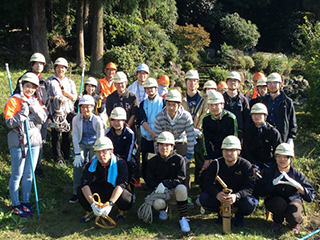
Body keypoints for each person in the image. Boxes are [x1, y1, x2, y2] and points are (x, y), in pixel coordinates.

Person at [4, 72, 47, 217]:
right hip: (18, 139)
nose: (30, 90)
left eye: (33, 87)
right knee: (17, 173)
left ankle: (25, 201)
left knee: (29, 174)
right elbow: (9, 123)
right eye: (27, 86)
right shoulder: (13, 100)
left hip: (34, 139)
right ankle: (15, 204)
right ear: (21, 86)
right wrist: (22, 113)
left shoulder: (34, 100)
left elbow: (42, 118)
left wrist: (31, 106)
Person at [199, 136, 258, 227]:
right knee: (204, 198)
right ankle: (221, 212)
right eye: (226, 150)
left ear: (239, 152)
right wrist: (217, 193)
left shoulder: (246, 165)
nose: (228, 153)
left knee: (250, 203)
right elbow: (206, 183)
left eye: (232, 150)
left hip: (238, 196)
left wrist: (237, 196)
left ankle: (239, 215)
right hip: (220, 197)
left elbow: (249, 187)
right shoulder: (216, 164)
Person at [258, 143, 315, 233]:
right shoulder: (269, 172)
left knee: (294, 218)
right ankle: (277, 221)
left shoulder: (297, 174)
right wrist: (272, 184)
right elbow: (260, 191)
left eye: (286, 157)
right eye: (279, 156)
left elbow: (310, 197)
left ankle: (294, 223)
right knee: (279, 203)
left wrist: (299, 187)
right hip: (274, 200)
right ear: (275, 158)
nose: (282, 160)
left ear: (291, 159)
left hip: (293, 200)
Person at [154, 89, 195, 207]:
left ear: (179, 105)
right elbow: (158, 138)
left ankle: (185, 195)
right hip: (166, 141)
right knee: (166, 166)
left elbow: (191, 135)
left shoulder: (186, 116)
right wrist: (159, 154)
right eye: (168, 104)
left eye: (173, 105)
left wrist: (189, 154)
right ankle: (165, 194)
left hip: (181, 140)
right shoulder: (159, 117)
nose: (170, 107)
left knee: (184, 168)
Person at [78, 137, 133, 223]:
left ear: (111, 151)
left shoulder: (120, 163)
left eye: (104, 151)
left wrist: (110, 204)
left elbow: (121, 184)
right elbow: (85, 182)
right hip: (99, 190)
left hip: (113, 190)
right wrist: (92, 204)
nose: (101, 155)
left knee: (126, 198)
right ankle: (92, 211)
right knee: (81, 190)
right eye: (98, 152)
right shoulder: (91, 164)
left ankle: (121, 211)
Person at [145, 131, 190, 233]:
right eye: (161, 145)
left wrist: (165, 183)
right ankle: (163, 209)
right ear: (158, 146)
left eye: (167, 145)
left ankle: (183, 218)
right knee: (158, 203)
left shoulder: (179, 159)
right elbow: (148, 179)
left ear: (172, 146)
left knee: (182, 188)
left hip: (174, 192)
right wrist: (157, 187)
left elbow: (181, 179)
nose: (164, 148)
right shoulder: (152, 161)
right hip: (160, 193)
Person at [70, 95, 104, 204]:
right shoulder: (76, 119)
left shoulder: (97, 120)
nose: (86, 110)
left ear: (93, 107)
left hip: (95, 144)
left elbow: (100, 137)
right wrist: (77, 153)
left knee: (94, 165)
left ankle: (93, 189)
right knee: (77, 165)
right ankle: (76, 191)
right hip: (82, 143)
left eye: (88, 107)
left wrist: (97, 153)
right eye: (83, 107)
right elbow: (75, 136)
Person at [46, 57, 77, 167]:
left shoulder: (70, 82)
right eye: (58, 67)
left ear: (66, 69)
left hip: (68, 112)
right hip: (55, 112)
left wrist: (66, 94)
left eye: (63, 68)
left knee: (67, 134)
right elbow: (46, 97)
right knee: (55, 135)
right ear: (55, 68)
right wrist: (56, 98)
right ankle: (57, 157)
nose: (61, 70)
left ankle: (66, 156)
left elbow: (74, 97)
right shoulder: (49, 81)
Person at [181, 70, 208, 185]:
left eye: (195, 81)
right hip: (184, 133)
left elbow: (205, 112)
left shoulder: (204, 97)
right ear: (186, 82)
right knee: (184, 160)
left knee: (200, 159)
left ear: (198, 83)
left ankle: (200, 182)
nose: (192, 83)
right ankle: (184, 182)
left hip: (199, 132)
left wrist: (198, 128)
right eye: (190, 81)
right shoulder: (181, 97)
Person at [201, 91, 238, 172]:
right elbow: (205, 140)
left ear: (222, 105)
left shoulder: (230, 118)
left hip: (228, 150)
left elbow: (234, 138)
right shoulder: (206, 119)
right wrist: (207, 158)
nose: (214, 107)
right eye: (211, 105)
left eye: (216, 105)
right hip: (213, 151)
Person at [26, 53, 49, 177]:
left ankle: (37, 166)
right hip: (31, 117)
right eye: (37, 63)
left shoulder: (43, 81)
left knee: (40, 142)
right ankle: (29, 166)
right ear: (32, 64)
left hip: (43, 116)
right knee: (31, 142)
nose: (39, 66)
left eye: (42, 64)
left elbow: (47, 98)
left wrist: (48, 115)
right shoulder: (25, 79)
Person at [137, 78, 165, 180]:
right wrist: (151, 132)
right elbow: (142, 120)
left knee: (159, 157)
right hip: (146, 133)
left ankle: (158, 178)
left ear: (156, 88)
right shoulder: (143, 103)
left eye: (152, 88)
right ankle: (147, 179)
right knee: (145, 158)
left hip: (160, 134)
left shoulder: (163, 102)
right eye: (147, 88)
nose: (150, 90)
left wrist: (157, 133)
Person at [105, 107, 136, 194]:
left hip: (126, 158)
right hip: (113, 157)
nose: (116, 123)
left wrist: (125, 162)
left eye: (119, 121)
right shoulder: (107, 134)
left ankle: (130, 190)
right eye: (113, 120)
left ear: (124, 121)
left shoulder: (130, 133)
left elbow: (129, 149)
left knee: (131, 165)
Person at [242, 103, 282, 170]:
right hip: (252, 164)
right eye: (254, 114)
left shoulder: (273, 132)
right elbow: (246, 151)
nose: (256, 116)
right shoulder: (248, 131)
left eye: (259, 114)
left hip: (270, 164)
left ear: (265, 115)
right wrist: (253, 165)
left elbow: (278, 151)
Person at [262, 73, 297, 145]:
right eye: (269, 83)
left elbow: (292, 121)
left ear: (280, 84)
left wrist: (290, 138)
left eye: (275, 82)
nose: (272, 85)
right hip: (265, 137)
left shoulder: (287, 102)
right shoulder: (263, 101)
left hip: (282, 137)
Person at [223, 71, 250, 140]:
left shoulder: (243, 100)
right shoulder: (221, 98)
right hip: (223, 132)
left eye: (235, 80)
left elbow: (247, 118)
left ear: (239, 83)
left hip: (239, 133)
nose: (232, 82)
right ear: (227, 82)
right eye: (230, 80)